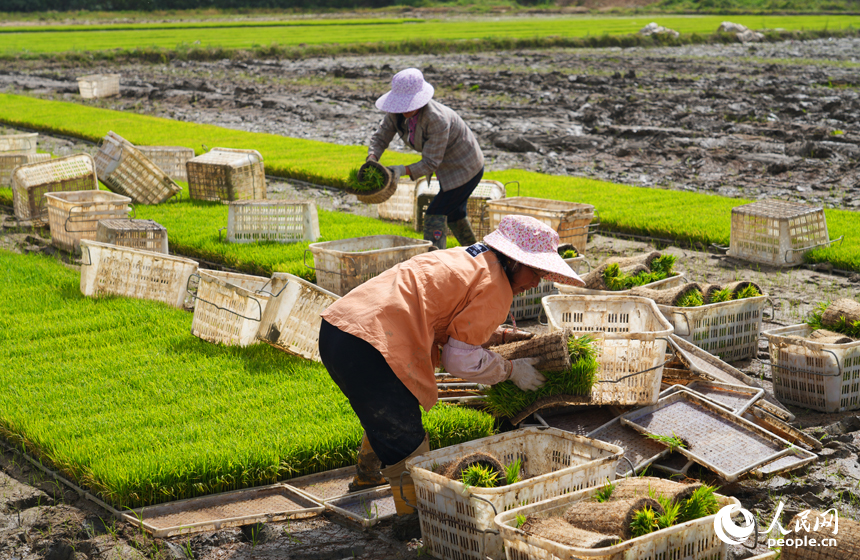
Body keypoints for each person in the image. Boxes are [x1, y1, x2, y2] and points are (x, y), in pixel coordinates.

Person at [318, 215, 585, 518]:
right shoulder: (497, 287)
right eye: (535, 270)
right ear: (513, 260)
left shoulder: (470, 257)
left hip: (339, 330)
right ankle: (414, 522)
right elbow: (459, 359)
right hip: (372, 346)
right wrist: (510, 371)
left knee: (387, 412)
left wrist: (505, 336)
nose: (537, 281)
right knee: (408, 444)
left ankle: (367, 475)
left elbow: (456, 318)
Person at [367, 67, 484, 251]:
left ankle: (434, 261)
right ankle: (478, 254)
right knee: (454, 214)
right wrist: (372, 159)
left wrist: (400, 170)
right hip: (447, 166)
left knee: (435, 213)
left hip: (466, 168)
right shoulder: (395, 113)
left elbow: (430, 162)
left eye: (409, 104)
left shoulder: (436, 119)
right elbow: (380, 137)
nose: (404, 109)